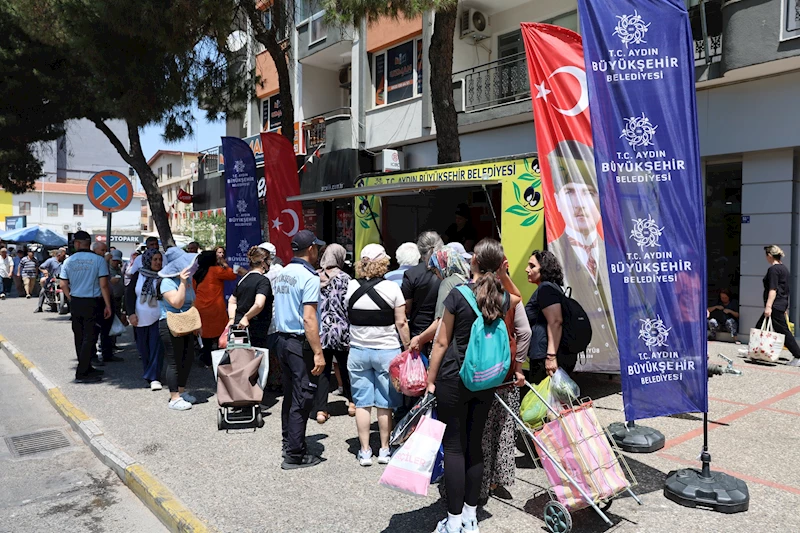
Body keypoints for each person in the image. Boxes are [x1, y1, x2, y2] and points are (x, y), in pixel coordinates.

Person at [426, 239, 520, 533]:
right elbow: (517, 297)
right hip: (487, 380)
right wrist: (502, 273)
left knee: (454, 447)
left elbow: (441, 342)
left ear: (475, 261)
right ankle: (470, 515)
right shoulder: (503, 298)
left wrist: (430, 379)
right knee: (474, 445)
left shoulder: (458, 295)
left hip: (455, 378)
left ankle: (453, 522)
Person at [548, 140, 617, 371]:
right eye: (569, 193)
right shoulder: (552, 254)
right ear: (556, 201)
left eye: (589, 192)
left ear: (601, 200)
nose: (579, 204)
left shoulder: (616, 255)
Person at [345, 244, 410, 466]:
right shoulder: (392, 288)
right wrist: (408, 345)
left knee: (362, 402)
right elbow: (401, 322)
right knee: (385, 403)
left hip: (358, 350)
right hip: (387, 351)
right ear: (382, 263)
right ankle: (384, 449)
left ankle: (364, 451)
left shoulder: (350, 286)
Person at [272, 230, 326, 469]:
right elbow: (309, 319)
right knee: (302, 397)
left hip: (282, 340)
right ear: (311, 249)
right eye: (318, 249)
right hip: (298, 343)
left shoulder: (283, 272)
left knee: (291, 393)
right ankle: (294, 454)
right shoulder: (309, 277)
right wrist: (318, 352)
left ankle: (289, 441)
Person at [59, 231, 112, 383]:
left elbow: (63, 284)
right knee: (91, 337)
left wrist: (71, 299)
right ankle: (82, 372)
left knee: (79, 336)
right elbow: (103, 285)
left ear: (77, 244)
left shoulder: (69, 261)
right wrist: (108, 305)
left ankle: (86, 367)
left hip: (76, 301)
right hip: (93, 302)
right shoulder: (98, 260)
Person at [525, 250, 577, 384]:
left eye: (532, 266)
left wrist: (551, 357)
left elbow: (555, 321)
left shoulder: (546, 289)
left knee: (542, 401)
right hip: (547, 353)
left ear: (544, 269)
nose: (527, 269)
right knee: (552, 400)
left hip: (545, 356)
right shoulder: (551, 288)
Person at [158, 247, 200, 410]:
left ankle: (181, 392)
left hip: (187, 323)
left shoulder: (188, 281)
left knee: (187, 358)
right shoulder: (167, 282)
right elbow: (177, 302)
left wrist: (197, 324)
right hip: (170, 324)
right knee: (174, 361)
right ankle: (174, 397)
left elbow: (192, 301)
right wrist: (182, 283)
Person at [316, 244, 354, 422]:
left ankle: (321, 410)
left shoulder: (315, 277)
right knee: (346, 367)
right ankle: (352, 403)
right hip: (341, 330)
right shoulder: (346, 279)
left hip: (321, 331)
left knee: (322, 370)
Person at [408, 246, 471, 352]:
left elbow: (440, 323)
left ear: (443, 266)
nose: (436, 275)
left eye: (435, 270)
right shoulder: (468, 281)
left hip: (451, 348)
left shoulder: (447, 283)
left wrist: (419, 339)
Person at [125, 249, 165, 390]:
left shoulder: (163, 276)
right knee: (143, 348)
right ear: (147, 260)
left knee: (156, 347)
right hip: (140, 318)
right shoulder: (139, 275)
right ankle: (148, 372)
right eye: (155, 259)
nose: (158, 262)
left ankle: (154, 377)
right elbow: (129, 295)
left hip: (158, 317)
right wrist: (130, 314)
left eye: (160, 259)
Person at [756, 245, 800, 366]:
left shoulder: (773, 270)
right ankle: (754, 349)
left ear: (769, 256)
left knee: (783, 331)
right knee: (759, 326)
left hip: (775, 305)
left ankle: (798, 355)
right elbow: (785, 289)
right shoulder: (784, 269)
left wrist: (768, 306)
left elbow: (773, 289)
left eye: (766, 255)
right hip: (781, 303)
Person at [194, 250, 238, 366]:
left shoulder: (197, 273)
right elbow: (232, 275)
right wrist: (224, 264)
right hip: (215, 307)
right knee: (220, 334)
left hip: (200, 308)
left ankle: (206, 358)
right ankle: (220, 359)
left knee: (204, 335)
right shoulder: (215, 270)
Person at [402, 231, 443, 350]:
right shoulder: (448, 274)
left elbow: (407, 309)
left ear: (420, 251)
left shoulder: (411, 274)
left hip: (418, 334)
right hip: (442, 331)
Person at [227, 246, 273, 350]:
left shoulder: (243, 279)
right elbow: (259, 304)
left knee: (239, 359)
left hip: (238, 328)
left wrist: (232, 319)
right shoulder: (263, 281)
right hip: (255, 330)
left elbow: (232, 301)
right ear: (263, 263)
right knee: (255, 362)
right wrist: (247, 317)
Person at [35, 248, 67, 312]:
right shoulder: (50, 261)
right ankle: (39, 307)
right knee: (43, 290)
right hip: (52, 278)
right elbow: (41, 267)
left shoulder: (66, 261)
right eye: (63, 256)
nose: (64, 257)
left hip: (63, 279)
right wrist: (45, 271)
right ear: (58, 255)